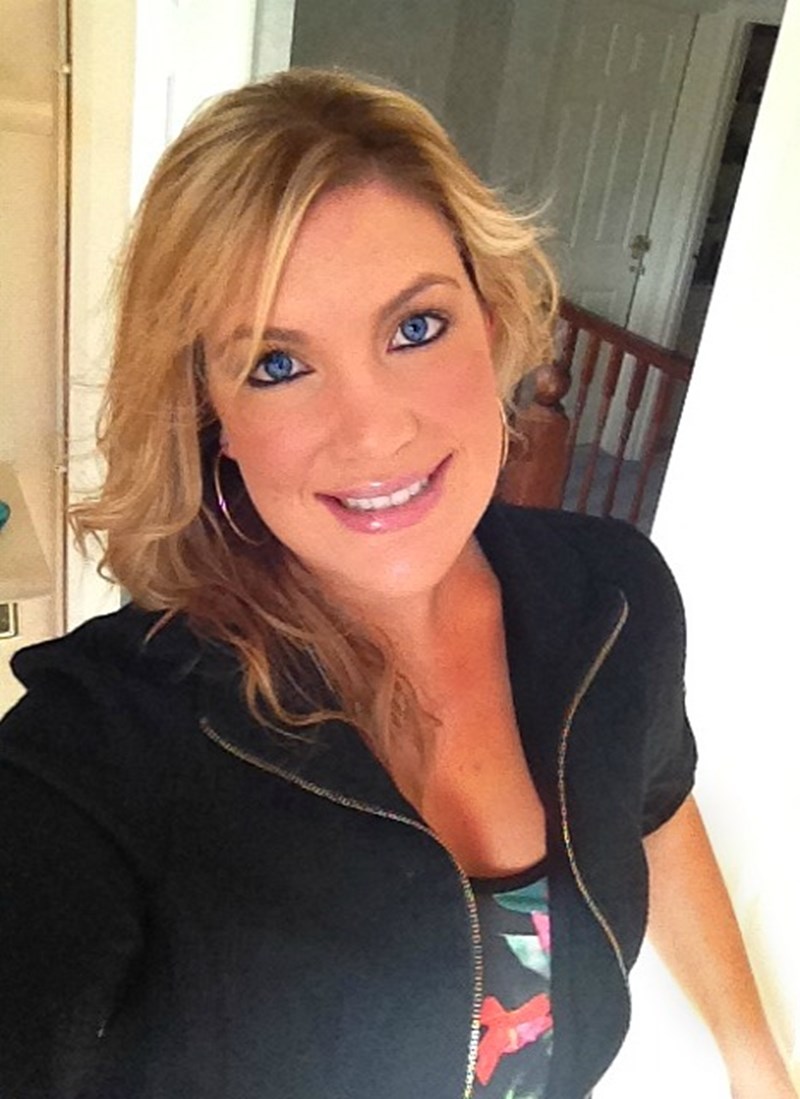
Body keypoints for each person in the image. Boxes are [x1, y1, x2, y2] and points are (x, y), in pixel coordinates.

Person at [0, 68, 794, 1099]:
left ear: (490, 319)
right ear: (211, 417)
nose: (374, 431)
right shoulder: (107, 743)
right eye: (277, 364)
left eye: (415, 327)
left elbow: (652, 796)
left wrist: (755, 1059)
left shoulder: (615, 600)